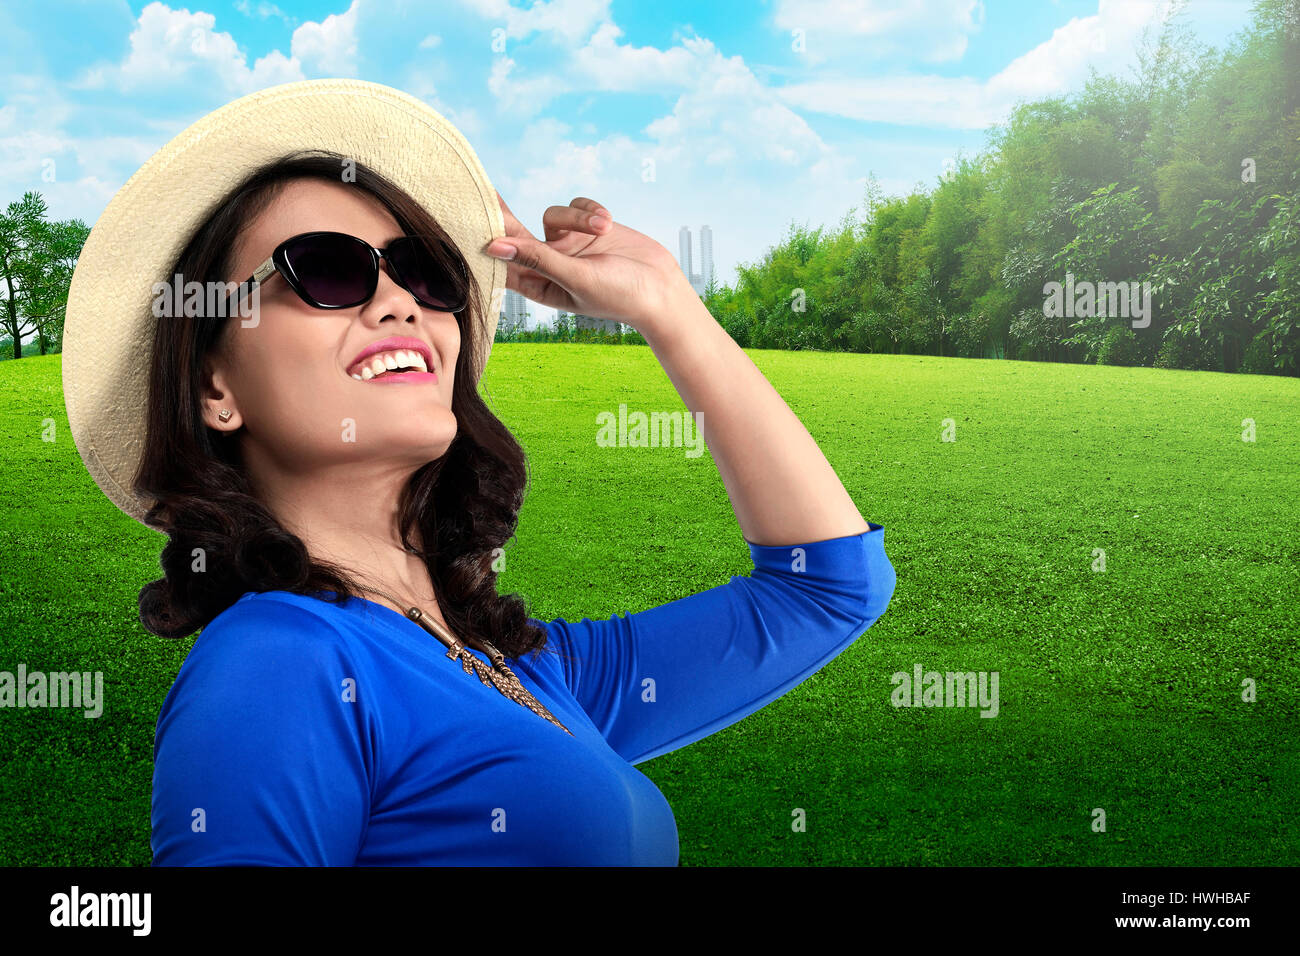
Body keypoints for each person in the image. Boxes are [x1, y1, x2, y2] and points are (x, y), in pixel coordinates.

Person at [61, 79, 895, 866]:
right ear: (216, 388)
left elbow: (825, 587)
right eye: (325, 268)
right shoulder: (281, 662)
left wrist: (665, 304)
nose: (400, 302)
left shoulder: (522, 670)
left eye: (420, 269)